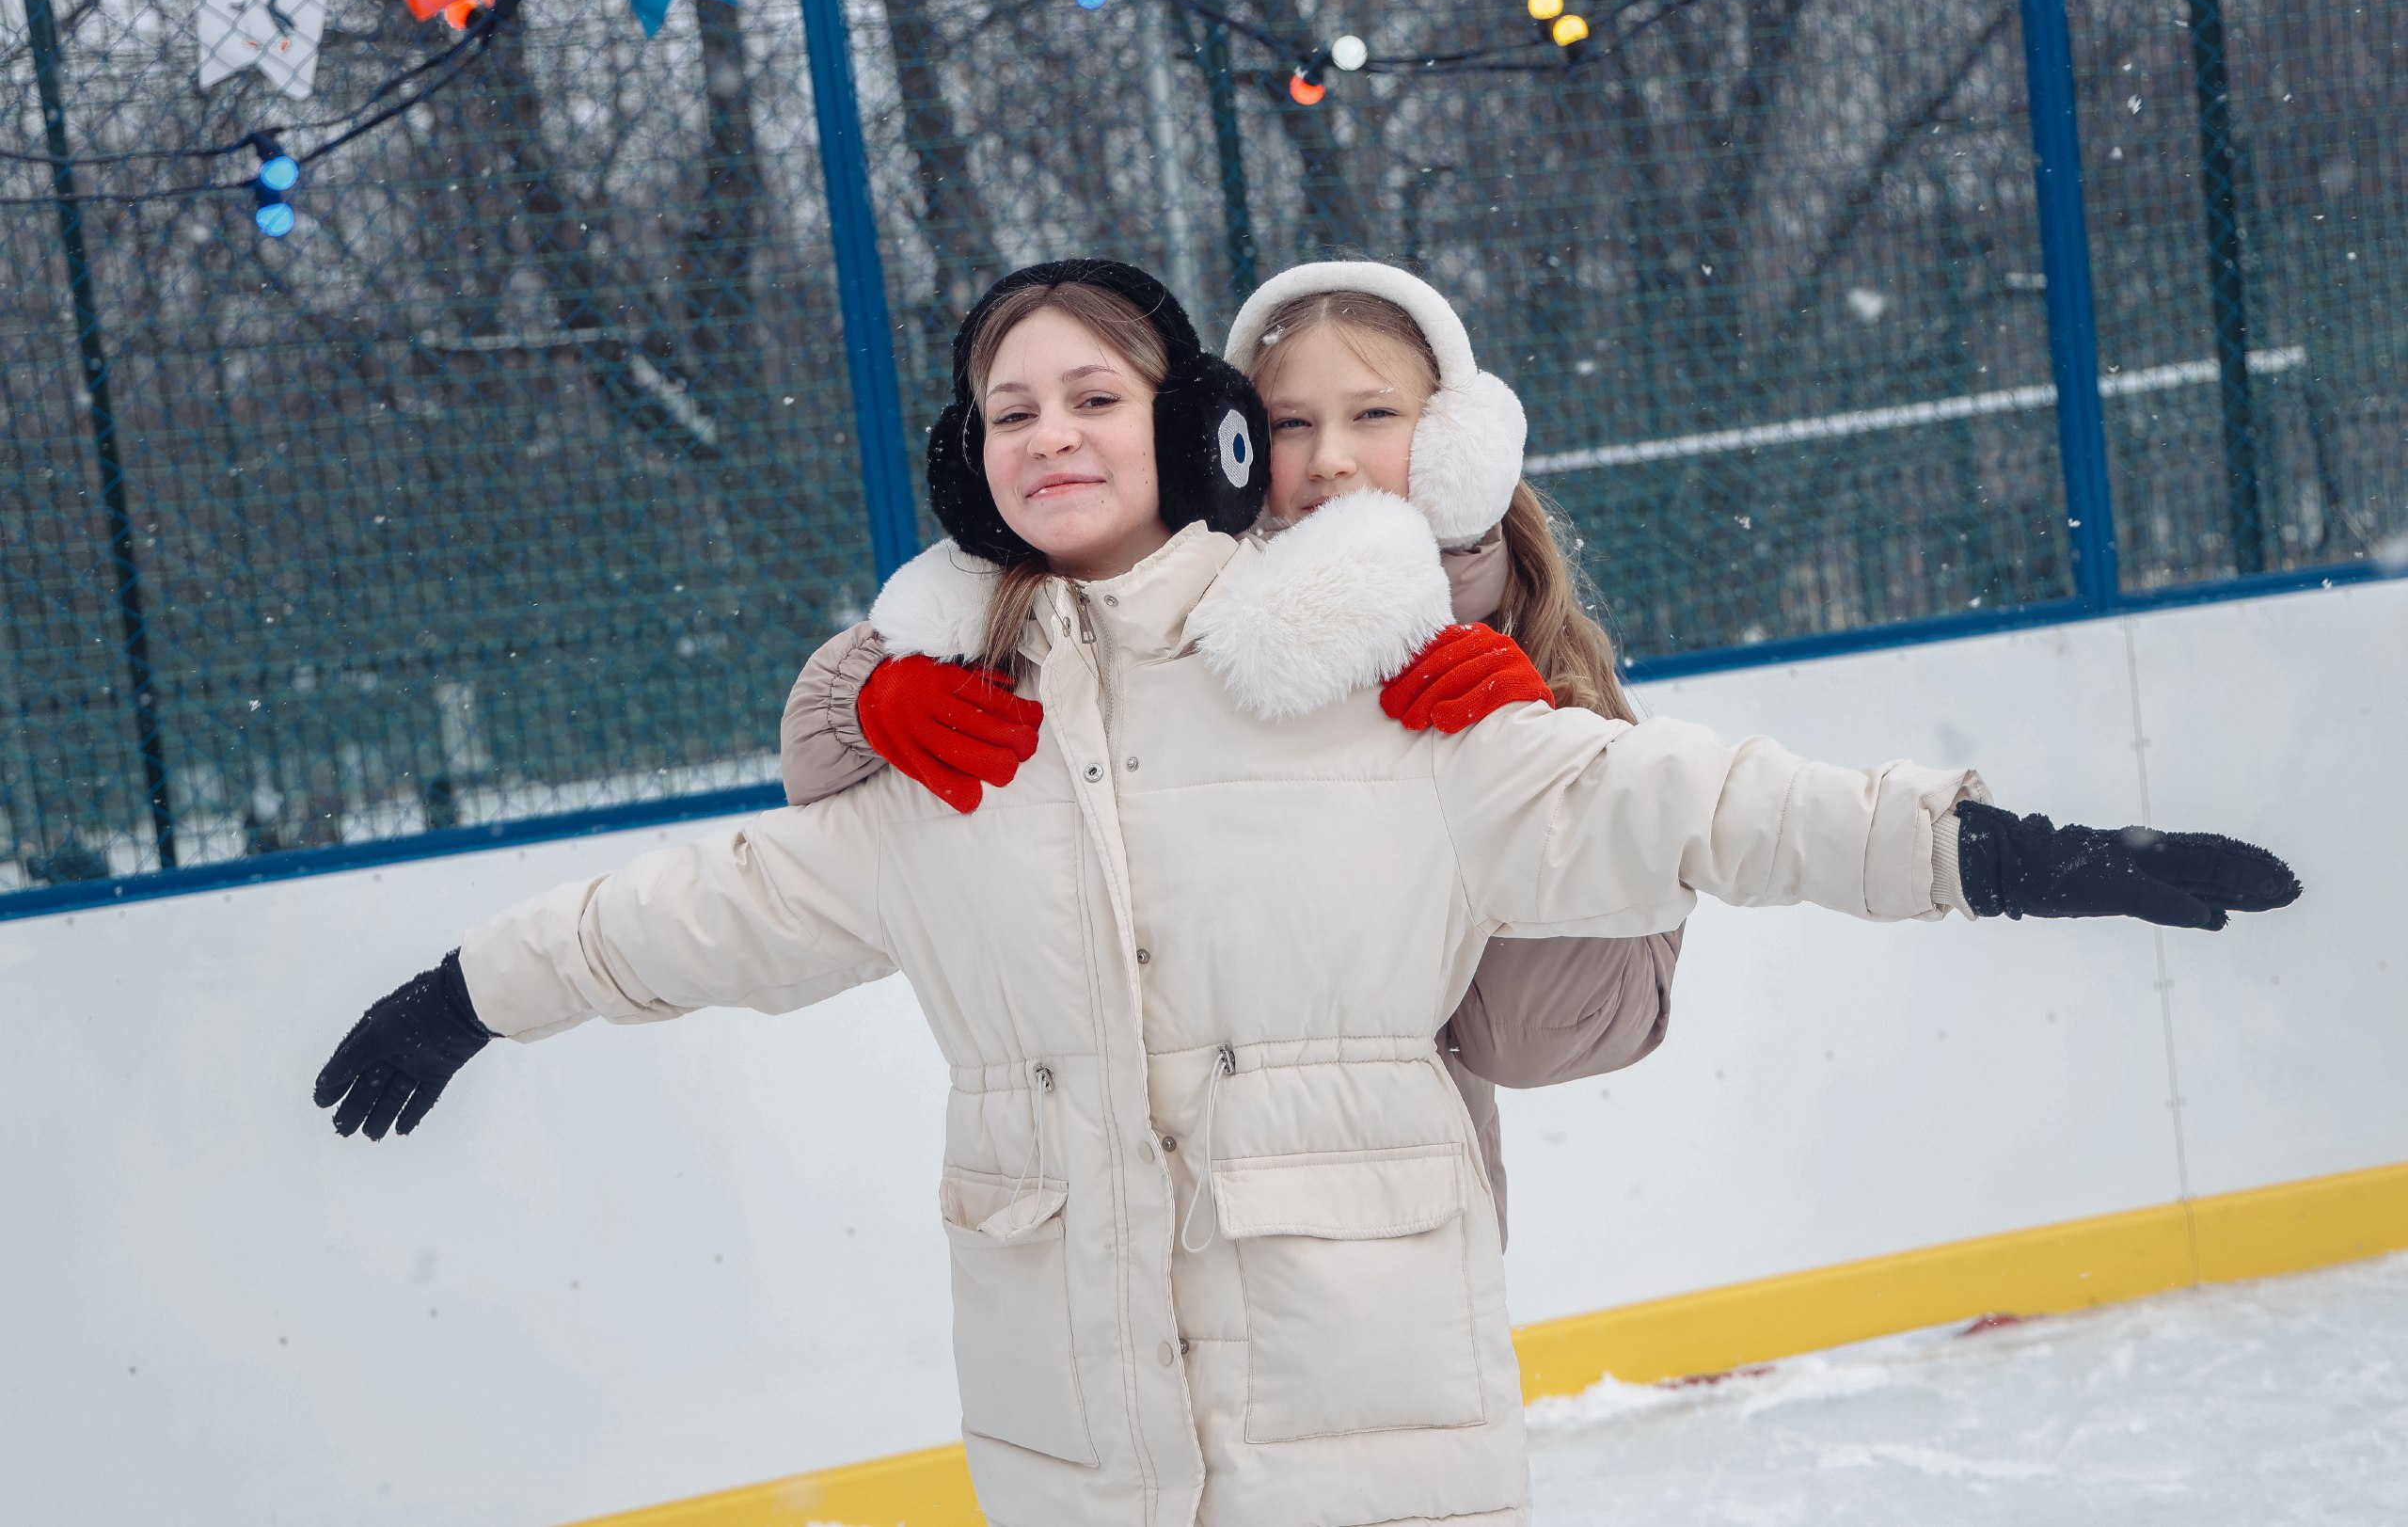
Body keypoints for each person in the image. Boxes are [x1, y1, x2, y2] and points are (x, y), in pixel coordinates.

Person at [315, 260, 2300, 1527]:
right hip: (1076, 1448)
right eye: (1008, 408)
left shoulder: (1378, 697)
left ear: (1195, 435)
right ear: (966, 463)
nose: (1049, 432)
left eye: (1091, 392)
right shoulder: (947, 757)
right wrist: (466, 989)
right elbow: (705, 910)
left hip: (1368, 1424)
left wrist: (2004, 850)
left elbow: (1703, 805)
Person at [774, 260, 1677, 1246]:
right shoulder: (1195, 621)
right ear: (1226, 441)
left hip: (1391, 1252)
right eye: (1290, 424)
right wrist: (856, 695)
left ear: (1461, 446)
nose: (1329, 458)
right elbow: (827, 790)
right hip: (1158, 1239)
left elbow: (1545, 1038)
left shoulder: (1541, 666)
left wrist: (1529, 771)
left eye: (1374, 416)